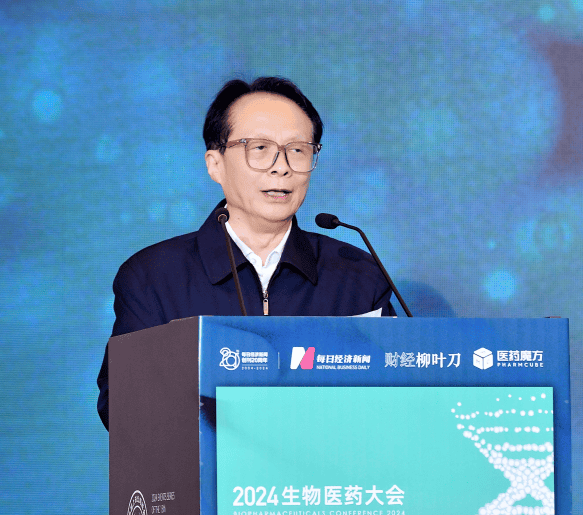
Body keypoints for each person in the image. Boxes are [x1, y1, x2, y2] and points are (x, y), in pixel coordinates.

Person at [96, 77, 395, 430]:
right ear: (215, 164)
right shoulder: (153, 277)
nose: (281, 166)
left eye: (298, 150)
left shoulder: (356, 273)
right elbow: (124, 407)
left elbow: (397, 395)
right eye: (260, 148)